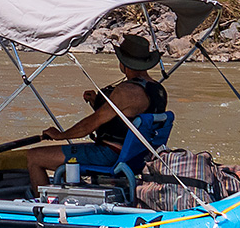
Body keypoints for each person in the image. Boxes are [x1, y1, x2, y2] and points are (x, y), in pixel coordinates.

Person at [26, 37, 169, 187]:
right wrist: (96, 103)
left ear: (124, 62)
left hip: (110, 155)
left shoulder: (126, 91)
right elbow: (126, 119)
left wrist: (60, 135)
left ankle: (41, 201)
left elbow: (90, 125)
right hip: (138, 158)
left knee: (34, 157)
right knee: (65, 159)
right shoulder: (158, 90)